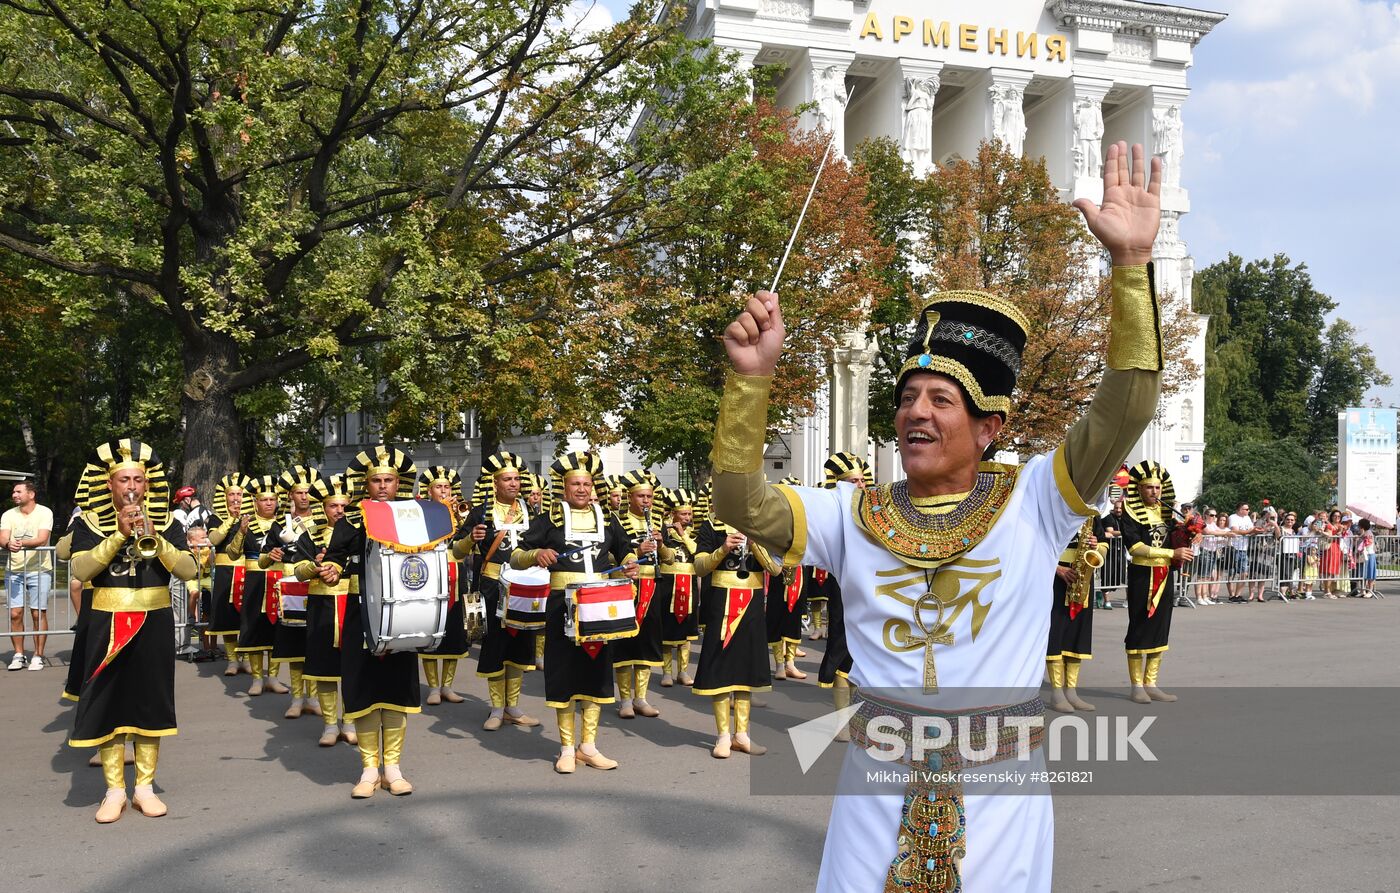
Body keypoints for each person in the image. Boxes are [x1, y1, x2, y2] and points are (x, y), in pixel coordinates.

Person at [712, 141, 1165, 890]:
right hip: (874, 791)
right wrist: (750, 385)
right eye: (906, 398)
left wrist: (1131, 268)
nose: (915, 413)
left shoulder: (1037, 499)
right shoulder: (852, 513)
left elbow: (1128, 405)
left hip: (998, 799)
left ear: (989, 426)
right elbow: (739, 502)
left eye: (940, 400)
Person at [67, 438, 198, 822]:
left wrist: (155, 539)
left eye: (138, 480)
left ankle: (144, 787)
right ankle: (113, 790)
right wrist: (120, 536)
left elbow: (189, 571)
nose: (131, 488)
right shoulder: (88, 522)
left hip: (153, 621)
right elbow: (79, 571)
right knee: (109, 704)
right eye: (123, 479)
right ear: (110, 484)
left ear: (148, 484)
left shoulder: (170, 521)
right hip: (107, 622)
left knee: (150, 703)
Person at [509, 451, 638, 774]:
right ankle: (566, 748)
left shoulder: (608, 518)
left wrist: (632, 563)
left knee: (594, 675)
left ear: (593, 487)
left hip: (599, 608)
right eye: (575, 484)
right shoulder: (550, 519)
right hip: (560, 608)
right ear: (564, 488)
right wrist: (537, 553)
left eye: (586, 484)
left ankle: (589, 746)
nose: (581, 489)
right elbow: (515, 555)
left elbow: (626, 549)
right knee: (564, 674)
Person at [318, 445, 422, 798]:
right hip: (361, 611)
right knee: (363, 689)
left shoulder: (415, 519)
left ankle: (392, 768)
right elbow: (333, 559)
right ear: (366, 484)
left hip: (405, 613)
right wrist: (331, 570)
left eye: (388, 480)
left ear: (398, 484)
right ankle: (367, 769)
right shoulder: (351, 522)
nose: (382, 486)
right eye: (375, 480)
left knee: (395, 689)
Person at [692, 504, 780, 759]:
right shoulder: (711, 524)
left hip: (751, 604)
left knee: (746, 668)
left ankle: (741, 734)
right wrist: (723, 549)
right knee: (720, 667)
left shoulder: (761, 525)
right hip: (721, 602)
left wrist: (755, 545)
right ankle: (722, 735)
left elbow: (775, 569)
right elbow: (699, 567)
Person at [463, 451, 541, 731]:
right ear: (495, 483)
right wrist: (470, 539)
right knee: (495, 645)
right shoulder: (480, 511)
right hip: (492, 586)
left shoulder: (531, 511)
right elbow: (458, 549)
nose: (513, 483)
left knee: (520, 644)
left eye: (517, 479)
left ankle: (513, 707)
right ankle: (496, 708)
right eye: (507, 479)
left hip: (524, 586)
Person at [1119, 462, 1192, 703]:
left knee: (1161, 628)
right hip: (1142, 576)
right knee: (1139, 627)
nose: (1154, 492)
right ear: (1138, 489)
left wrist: (1189, 532)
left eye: (1158, 488)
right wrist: (1172, 554)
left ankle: (1151, 682)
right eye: (1149, 487)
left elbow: (1174, 539)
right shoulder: (1129, 512)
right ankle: (1136, 685)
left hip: (1165, 576)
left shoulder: (1166, 512)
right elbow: (1136, 547)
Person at [294, 473, 356, 747]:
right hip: (321, 606)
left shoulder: (357, 534)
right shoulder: (310, 534)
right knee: (324, 668)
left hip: (352, 604)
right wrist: (314, 567)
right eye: (334, 506)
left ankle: (351, 721)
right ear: (324, 508)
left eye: (344, 506)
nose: (339, 511)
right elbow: (297, 569)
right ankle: (330, 724)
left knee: (353, 668)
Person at [261, 465, 323, 719]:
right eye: (299, 493)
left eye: (308, 492)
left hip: (317, 586)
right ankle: (297, 697)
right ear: (291, 496)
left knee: (316, 644)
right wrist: (271, 555)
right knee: (296, 647)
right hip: (290, 587)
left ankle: (315, 697)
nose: (304, 497)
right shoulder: (278, 525)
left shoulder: (322, 522)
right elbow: (262, 560)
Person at [416, 465, 472, 706]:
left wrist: (458, 517)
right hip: (431, 570)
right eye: (438, 487)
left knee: (453, 631)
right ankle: (433, 687)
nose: (443, 490)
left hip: (455, 571)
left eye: (446, 487)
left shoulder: (460, 512)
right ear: (429, 490)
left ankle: (448, 686)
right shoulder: (422, 512)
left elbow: (466, 540)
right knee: (432, 631)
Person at [612, 469, 665, 719]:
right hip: (626, 586)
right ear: (630, 497)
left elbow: (671, 558)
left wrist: (662, 545)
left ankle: (640, 697)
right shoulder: (616, 521)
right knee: (625, 642)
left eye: (649, 497)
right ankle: (624, 700)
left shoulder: (656, 521)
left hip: (652, 586)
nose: (646, 501)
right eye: (641, 496)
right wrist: (637, 548)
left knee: (647, 642)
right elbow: (608, 556)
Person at [1046, 516, 1108, 712]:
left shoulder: (1092, 514)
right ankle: (1057, 693)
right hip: (1057, 576)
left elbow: (1104, 545)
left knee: (1078, 633)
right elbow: (1036, 546)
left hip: (1084, 574)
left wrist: (1097, 546)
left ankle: (1071, 691)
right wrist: (1057, 568)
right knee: (1055, 632)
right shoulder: (1055, 508)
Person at [236, 476, 289, 697]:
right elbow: (231, 553)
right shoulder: (246, 524)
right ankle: (257, 678)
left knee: (276, 629)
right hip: (255, 581)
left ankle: (273, 677)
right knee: (254, 627)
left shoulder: (285, 524)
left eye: (272, 499)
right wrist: (240, 531)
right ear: (255, 502)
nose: (269, 503)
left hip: (277, 578)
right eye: (264, 499)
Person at [3, 479, 53, 671]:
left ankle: (38, 655)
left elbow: (42, 539)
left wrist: (20, 544)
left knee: (37, 613)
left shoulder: (45, 512)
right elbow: (3, 536)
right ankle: (18, 654)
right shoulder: (8, 514)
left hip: (39, 570)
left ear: (31, 494)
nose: (14, 495)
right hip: (14, 571)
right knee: (15, 613)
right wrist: (8, 544)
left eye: (18, 491)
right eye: (13, 492)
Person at [204, 474, 251, 676]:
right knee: (228, 617)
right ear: (225, 497)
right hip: (225, 570)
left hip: (247, 569)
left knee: (248, 616)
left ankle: (248, 659)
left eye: (239, 494)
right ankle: (232, 660)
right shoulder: (215, 518)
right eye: (231, 494)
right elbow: (214, 539)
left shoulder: (252, 518)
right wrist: (231, 518)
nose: (235, 499)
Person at [657, 487, 702, 687]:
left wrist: (683, 534)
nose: (687, 517)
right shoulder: (663, 532)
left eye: (689, 513)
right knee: (667, 630)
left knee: (686, 630)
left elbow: (697, 552)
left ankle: (683, 671)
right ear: (673, 514)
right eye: (683, 514)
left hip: (688, 584)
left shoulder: (696, 533)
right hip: (668, 584)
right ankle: (666, 672)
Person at [767, 475, 810, 681]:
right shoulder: (772, 520)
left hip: (799, 574)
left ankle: (790, 663)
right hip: (778, 572)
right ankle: (778, 665)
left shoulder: (806, 519)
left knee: (794, 619)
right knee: (776, 618)